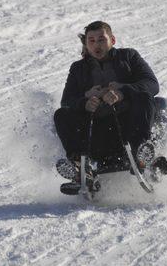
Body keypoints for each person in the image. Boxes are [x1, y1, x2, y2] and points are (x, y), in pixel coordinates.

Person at [54, 20, 159, 170]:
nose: (97, 45)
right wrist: (85, 100)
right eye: (91, 41)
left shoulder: (129, 56)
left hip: (129, 127)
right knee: (61, 114)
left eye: (101, 40)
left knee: (147, 97)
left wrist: (122, 92)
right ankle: (79, 166)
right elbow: (66, 101)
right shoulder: (78, 68)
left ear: (112, 40)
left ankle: (142, 153)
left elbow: (152, 84)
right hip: (97, 132)